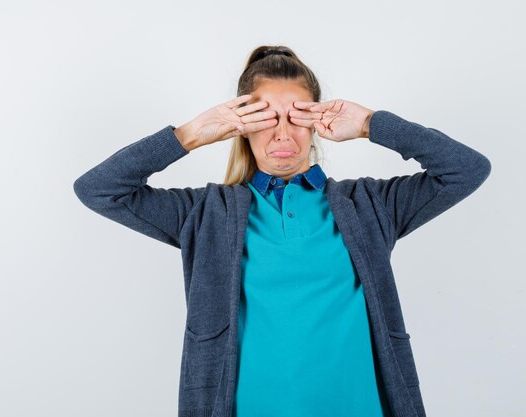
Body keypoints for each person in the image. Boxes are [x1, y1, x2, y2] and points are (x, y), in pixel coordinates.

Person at [73, 46, 491, 417]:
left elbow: (466, 170)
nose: (283, 133)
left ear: (317, 121)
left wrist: (371, 125)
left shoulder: (369, 205)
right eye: (265, 116)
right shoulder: (205, 213)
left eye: (298, 117)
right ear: (242, 123)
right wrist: (189, 135)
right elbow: (99, 190)